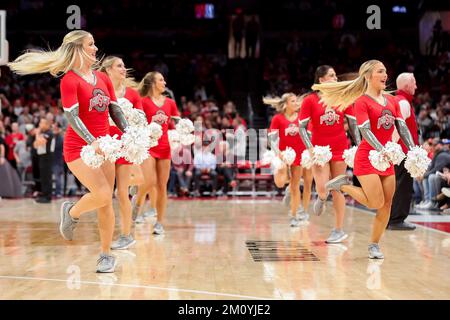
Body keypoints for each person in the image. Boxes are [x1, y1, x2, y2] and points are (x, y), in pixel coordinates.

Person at [9, 30, 132, 272]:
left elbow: (114, 110)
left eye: (95, 43)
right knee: (104, 194)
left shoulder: (103, 78)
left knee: (106, 201)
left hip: (105, 145)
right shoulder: (69, 80)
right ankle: (72, 211)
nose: (96, 48)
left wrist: (129, 132)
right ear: (77, 49)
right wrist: (91, 141)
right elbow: (72, 116)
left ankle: (105, 255)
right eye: (91, 44)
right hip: (79, 148)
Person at [312, 60, 418, 259]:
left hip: (386, 158)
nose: (385, 74)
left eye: (386, 71)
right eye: (380, 71)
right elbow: (365, 130)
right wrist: (381, 150)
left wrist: (413, 150)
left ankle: (374, 245)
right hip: (368, 157)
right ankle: (341, 186)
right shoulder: (362, 101)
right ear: (369, 76)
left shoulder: (392, 100)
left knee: (386, 204)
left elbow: (402, 127)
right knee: (375, 202)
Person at [299, 65, 361, 243]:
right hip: (320, 150)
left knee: (338, 188)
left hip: (340, 147)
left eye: (335, 76)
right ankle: (321, 197)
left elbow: (353, 124)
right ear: (321, 80)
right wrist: (310, 147)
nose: (335, 79)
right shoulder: (310, 100)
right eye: (332, 76)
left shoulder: (343, 98)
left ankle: (338, 230)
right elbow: (302, 127)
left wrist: (359, 145)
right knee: (323, 188)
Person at [100, 56, 144, 249]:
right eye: (119, 66)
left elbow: (141, 119)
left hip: (126, 146)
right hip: (107, 145)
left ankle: (126, 235)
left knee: (121, 193)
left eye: (124, 65)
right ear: (108, 70)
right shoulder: (101, 92)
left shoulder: (133, 94)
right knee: (106, 194)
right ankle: (107, 235)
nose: (124, 69)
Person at [134, 71, 180, 235]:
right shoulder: (143, 102)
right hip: (148, 147)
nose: (164, 82)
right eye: (161, 80)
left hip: (165, 147)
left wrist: (179, 135)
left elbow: (175, 126)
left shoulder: (170, 103)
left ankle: (159, 223)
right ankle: (137, 206)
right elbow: (137, 124)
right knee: (149, 181)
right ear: (153, 83)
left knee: (161, 186)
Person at [264, 93, 312, 227]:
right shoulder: (277, 118)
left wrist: (310, 150)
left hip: (300, 155)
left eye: (297, 101)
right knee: (287, 183)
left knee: (296, 186)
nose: (297, 103)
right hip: (285, 155)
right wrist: (278, 153)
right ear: (286, 104)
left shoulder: (302, 118)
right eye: (293, 101)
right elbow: (272, 139)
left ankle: (294, 215)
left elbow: (309, 134)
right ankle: (289, 190)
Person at [388, 73, 419, 230]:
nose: (416, 86)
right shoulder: (403, 103)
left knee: (398, 185)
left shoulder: (397, 100)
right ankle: (396, 220)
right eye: (414, 83)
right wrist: (391, 149)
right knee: (402, 186)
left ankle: (392, 218)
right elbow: (395, 128)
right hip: (402, 152)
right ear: (407, 86)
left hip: (399, 151)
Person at [33, 118, 54, 203]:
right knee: (43, 177)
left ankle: (47, 197)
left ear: (46, 124)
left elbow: (41, 142)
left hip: (47, 157)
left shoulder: (49, 133)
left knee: (47, 177)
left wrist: (37, 134)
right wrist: (38, 138)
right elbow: (35, 145)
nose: (39, 125)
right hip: (42, 157)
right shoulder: (43, 133)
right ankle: (44, 194)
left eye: (41, 123)